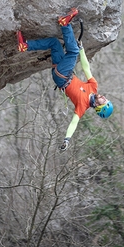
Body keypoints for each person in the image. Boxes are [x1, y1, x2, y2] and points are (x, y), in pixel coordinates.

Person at [16, 8, 113, 151]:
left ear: (99, 107)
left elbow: (73, 123)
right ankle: (25, 46)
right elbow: (87, 69)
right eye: (105, 99)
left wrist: (67, 139)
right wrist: (82, 51)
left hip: (63, 76)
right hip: (61, 73)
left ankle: (64, 24)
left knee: (72, 52)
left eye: (104, 101)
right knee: (54, 43)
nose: (104, 97)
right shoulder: (93, 87)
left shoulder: (83, 106)